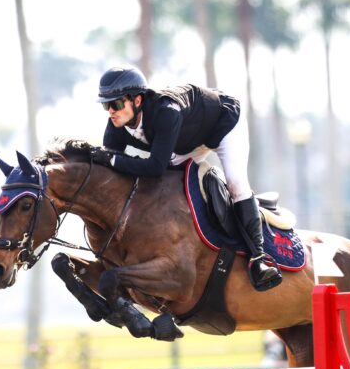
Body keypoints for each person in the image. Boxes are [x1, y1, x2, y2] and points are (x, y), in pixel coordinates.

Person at [91, 66, 282, 292]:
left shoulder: (165, 112)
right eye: (106, 105)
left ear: (138, 100)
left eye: (116, 104)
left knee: (236, 183)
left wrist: (111, 160)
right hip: (187, 141)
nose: (111, 111)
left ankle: (258, 259)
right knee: (167, 188)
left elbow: (154, 167)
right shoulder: (116, 125)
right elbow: (114, 174)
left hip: (223, 124)